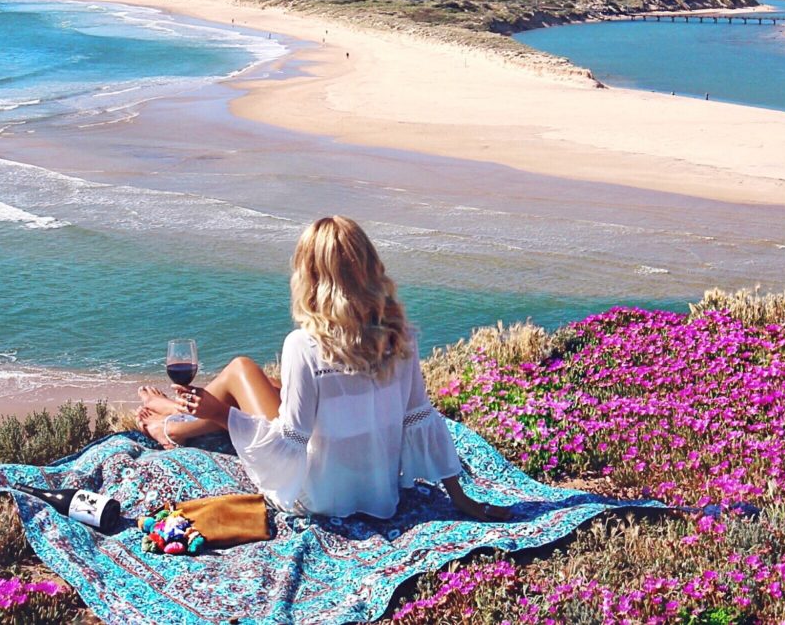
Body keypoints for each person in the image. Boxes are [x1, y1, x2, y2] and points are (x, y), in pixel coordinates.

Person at [134, 216, 510, 522]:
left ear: (310, 277)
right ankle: (173, 412)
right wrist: (461, 499)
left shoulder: (304, 345)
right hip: (380, 492)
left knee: (241, 369)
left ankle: (173, 426)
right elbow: (420, 418)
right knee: (277, 385)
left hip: (319, 495)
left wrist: (222, 414)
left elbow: (289, 443)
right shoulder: (401, 337)